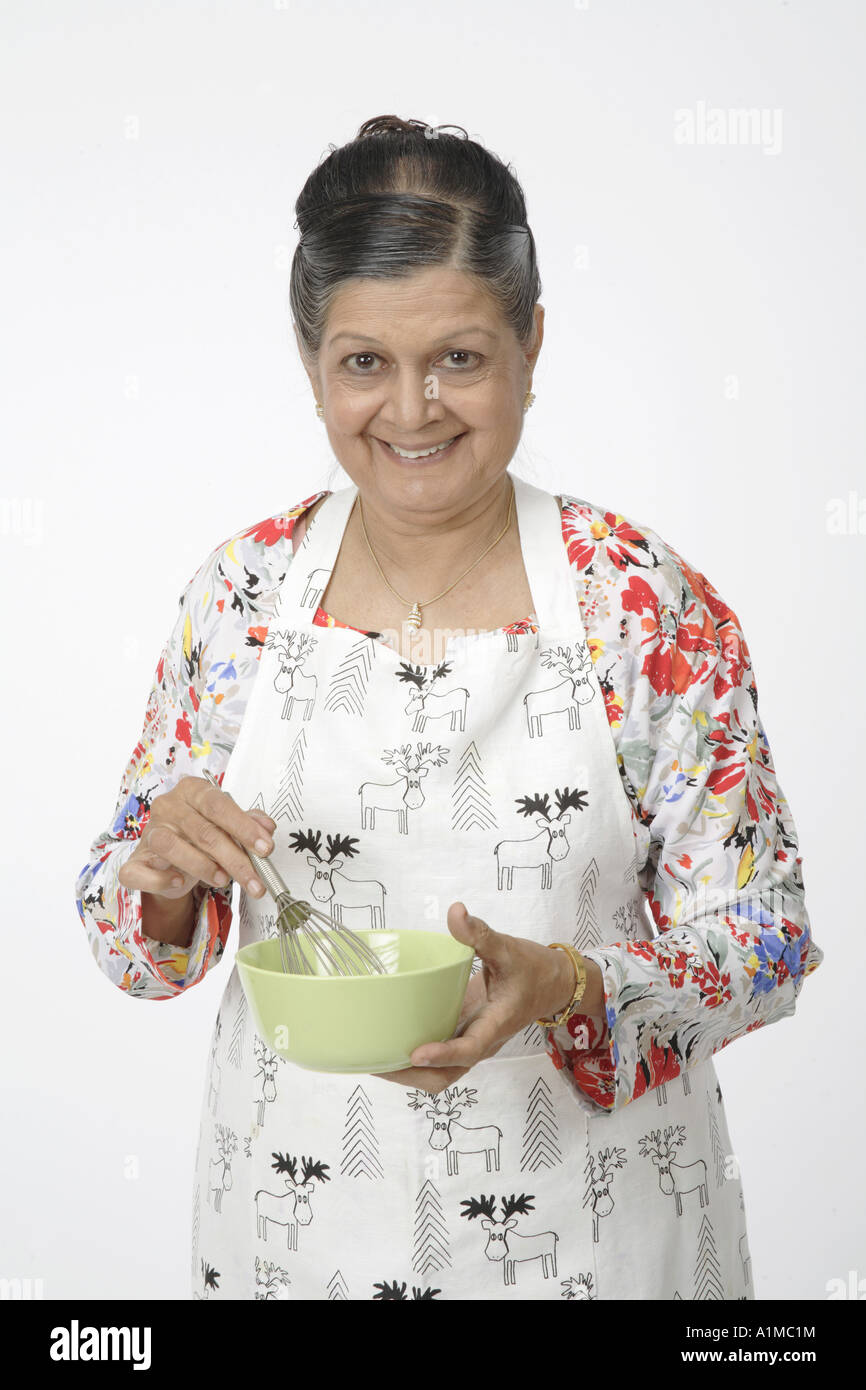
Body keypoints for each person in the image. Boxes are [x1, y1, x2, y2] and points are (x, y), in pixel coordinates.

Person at [75, 115, 823, 1301]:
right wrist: (163, 873)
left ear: (531, 341)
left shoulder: (641, 602)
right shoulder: (242, 595)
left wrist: (575, 984)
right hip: (292, 1242)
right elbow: (136, 949)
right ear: (312, 360)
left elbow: (766, 937)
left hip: (603, 1238)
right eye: (364, 362)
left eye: (459, 359)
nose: (412, 411)